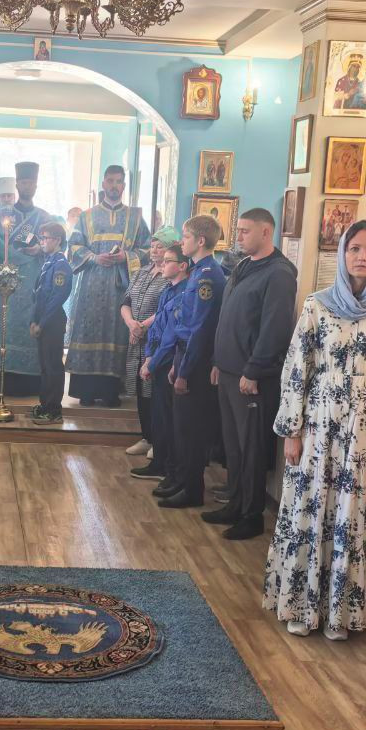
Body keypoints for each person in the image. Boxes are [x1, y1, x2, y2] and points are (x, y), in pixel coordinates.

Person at [262, 221, 366, 640]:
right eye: (354, 249)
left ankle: (339, 614)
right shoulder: (317, 305)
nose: (362, 257)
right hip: (318, 422)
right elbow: (297, 368)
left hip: (365, 429)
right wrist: (291, 431)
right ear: (343, 253)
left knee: (352, 515)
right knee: (308, 508)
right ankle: (301, 605)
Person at [205, 208, 297, 540]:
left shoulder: (279, 274)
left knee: (251, 448)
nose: (239, 236)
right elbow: (228, 318)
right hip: (229, 370)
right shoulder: (244, 266)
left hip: (252, 376)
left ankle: (251, 514)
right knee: (233, 445)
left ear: (266, 232)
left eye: (245, 231)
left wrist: (254, 369)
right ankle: (235, 503)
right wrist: (218, 360)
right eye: (238, 230)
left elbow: (275, 328)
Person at [155, 215, 225, 509]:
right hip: (184, 354)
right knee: (181, 428)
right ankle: (182, 481)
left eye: (185, 237)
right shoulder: (198, 272)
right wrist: (176, 363)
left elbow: (200, 328)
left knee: (192, 430)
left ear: (200, 240)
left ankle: (193, 489)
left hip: (196, 361)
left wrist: (184, 370)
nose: (181, 242)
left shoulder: (208, 275)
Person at [66, 165, 151, 406]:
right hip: (91, 286)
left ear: (123, 186)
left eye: (118, 182)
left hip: (120, 287)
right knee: (88, 330)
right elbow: (73, 246)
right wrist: (94, 257)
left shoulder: (135, 217)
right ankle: (86, 391)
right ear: (103, 184)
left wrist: (127, 256)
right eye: (110, 181)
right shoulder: (87, 216)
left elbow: (148, 249)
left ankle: (111, 391)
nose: (114, 186)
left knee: (117, 332)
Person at [0, 162, 55, 396]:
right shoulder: (1, 215)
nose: (27, 186)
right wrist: (16, 254)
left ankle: (29, 382)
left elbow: (55, 244)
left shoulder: (43, 217)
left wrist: (40, 249)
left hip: (34, 281)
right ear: (18, 185)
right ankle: (1, 382)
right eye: (23, 182)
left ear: (36, 186)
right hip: (7, 280)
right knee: (5, 323)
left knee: (29, 325)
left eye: (31, 183)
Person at [134, 247, 190, 485]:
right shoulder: (168, 290)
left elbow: (171, 335)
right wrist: (148, 356)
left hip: (170, 363)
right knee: (158, 417)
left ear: (182, 266)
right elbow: (157, 327)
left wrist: (153, 362)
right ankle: (158, 462)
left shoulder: (185, 293)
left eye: (168, 261)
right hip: (157, 359)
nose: (162, 264)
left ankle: (169, 468)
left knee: (168, 420)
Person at [121, 226, 174, 454]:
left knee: (154, 390)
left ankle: (158, 440)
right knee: (141, 389)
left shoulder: (171, 275)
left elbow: (166, 308)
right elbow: (126, 301)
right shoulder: (141, 272)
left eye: (160, 247)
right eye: (152, 246)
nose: (154, 250)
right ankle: (146, 437)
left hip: (155, 339)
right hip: (136, 338)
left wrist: (142, 326)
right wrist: (131, 324)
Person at [30, 222, 73, 425]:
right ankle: (45, 404)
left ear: (57, 240)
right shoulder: (48, 262)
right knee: (45, 366)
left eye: (45, 238)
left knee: (53, 366)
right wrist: (33, 320)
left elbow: (57, 297)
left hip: (52, 321)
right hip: (42, 319)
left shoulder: (61, 265)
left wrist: (42, 323)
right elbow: (38, 295)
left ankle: (54, 410)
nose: (42, 242)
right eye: (41, 237)